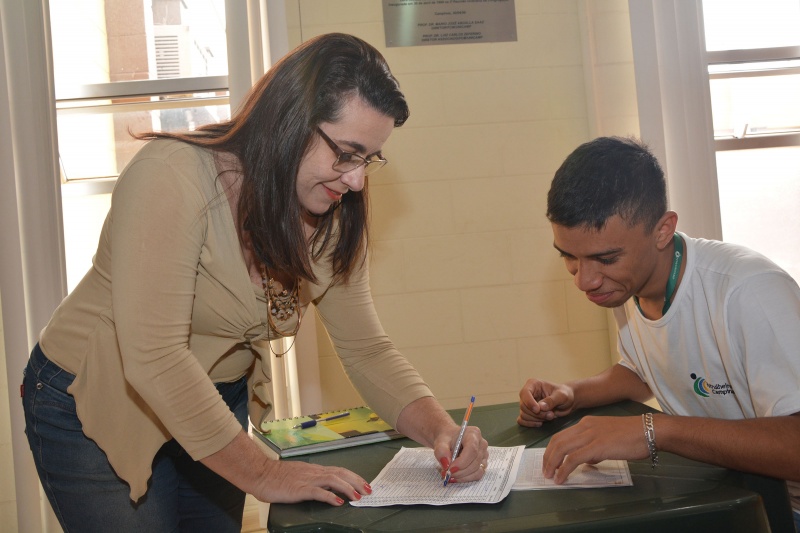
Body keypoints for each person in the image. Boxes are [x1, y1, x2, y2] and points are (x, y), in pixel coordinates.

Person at [22, 33, 488, 532]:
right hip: (97, 399)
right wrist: (265, 473)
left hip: (209, 403)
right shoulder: (172, 177)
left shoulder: (329, 206)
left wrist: (442, 431)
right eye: (348, 153)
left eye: (369, 159)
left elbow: (366, 349)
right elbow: (155, 355)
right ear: (290, 122)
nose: (356, 181)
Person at [518, 136, 800, 526]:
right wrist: (573, 393)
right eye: (568, 256)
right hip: (730, 493)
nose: (584, 281)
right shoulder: (626, 284)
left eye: (605, 258)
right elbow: (645, 370)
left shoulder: (749, 292)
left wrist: (653, 430)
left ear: (663, 230)